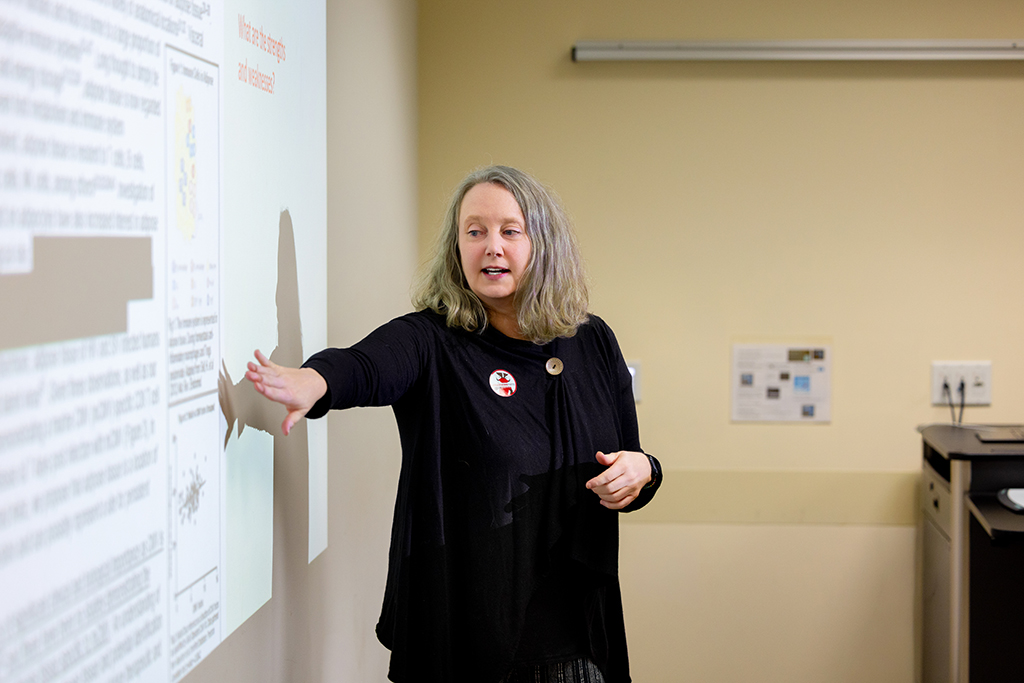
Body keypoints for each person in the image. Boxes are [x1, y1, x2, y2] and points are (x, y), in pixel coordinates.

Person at [244, 165, 663, 683]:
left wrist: (644, 471)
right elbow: (368, 365)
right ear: (456, 247)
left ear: (544, 244)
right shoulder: (432, 340)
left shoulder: (593, 341)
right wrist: (316, 380)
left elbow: (631, 463)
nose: (492, 247)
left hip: (577, 644)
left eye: (510, 231)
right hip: (466, 642)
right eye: (475, 231)